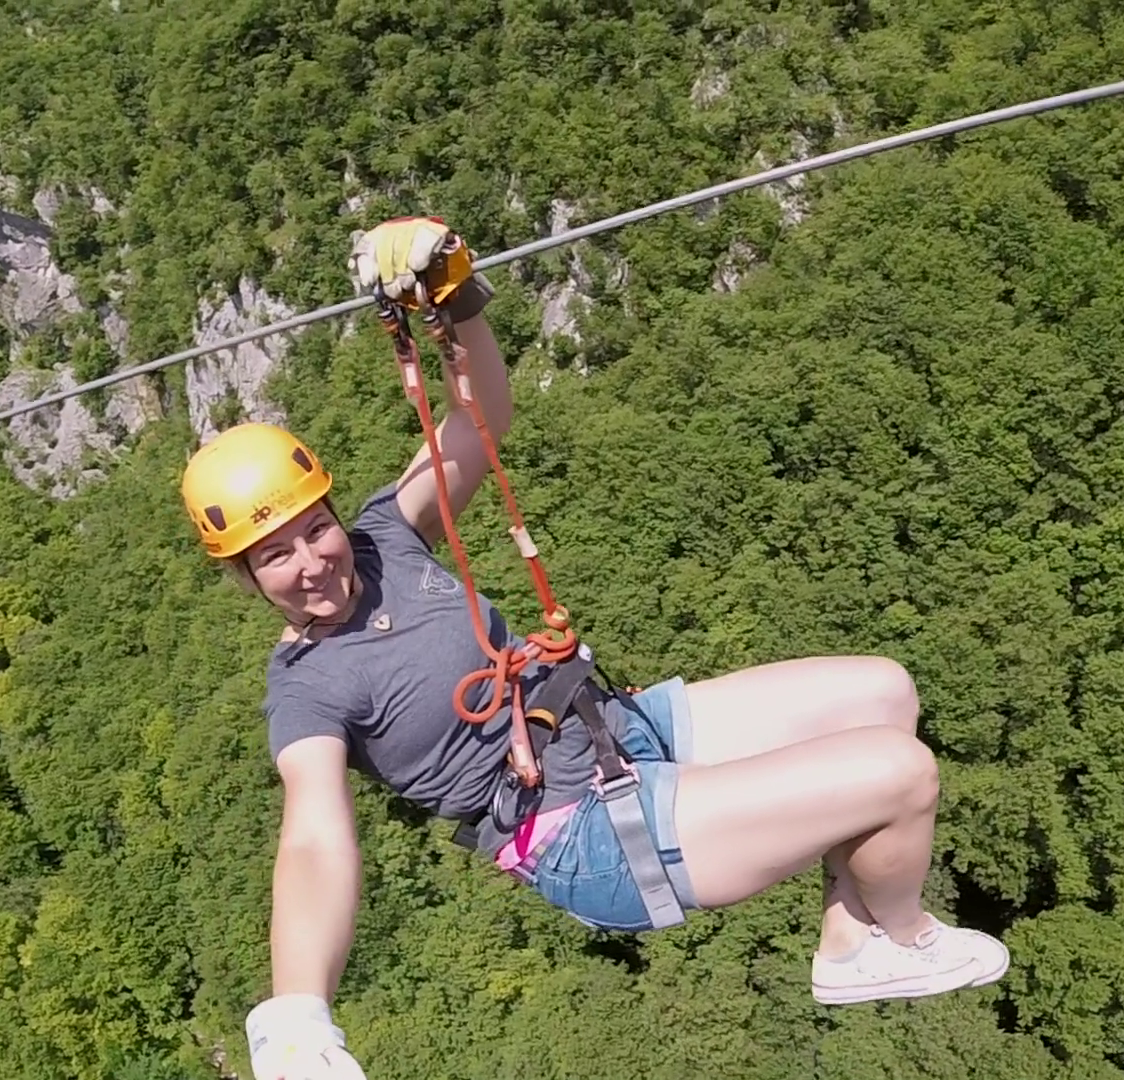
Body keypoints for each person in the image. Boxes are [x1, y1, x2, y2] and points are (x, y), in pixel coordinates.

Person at [178, 217, 1010, 1080]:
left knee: (884, 693)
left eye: (315, 530)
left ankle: (849, 933)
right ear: (244, 576)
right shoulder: (307, 693)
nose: (313, 562)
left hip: (615, 726)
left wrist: (458, 298)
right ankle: (900, 940)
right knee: (901, 773)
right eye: (276, 555)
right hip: (583, 831)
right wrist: (296, 1013)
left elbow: (482, 420)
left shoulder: (387, 536)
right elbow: (314, 838)